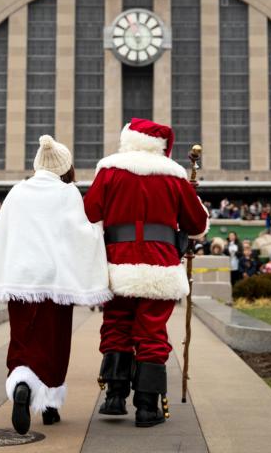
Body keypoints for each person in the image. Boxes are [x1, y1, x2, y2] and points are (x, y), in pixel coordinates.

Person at [0, 135, 111, 435]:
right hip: (56, 280)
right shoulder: (68, 194)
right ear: (66, 167)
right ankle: (50, 404)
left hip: (21, 279)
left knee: (22, 336)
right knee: (55, 340)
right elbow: (83, 234)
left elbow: (2, 234)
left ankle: (21, 383)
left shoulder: (18, 192)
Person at [84, 118, 209, 428]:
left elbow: (89, 214)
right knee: (152, 332)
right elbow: (196, 226)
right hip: (160, 264)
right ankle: (146, 407)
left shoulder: (109, 171)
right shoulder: (175, 176)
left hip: (117, 263)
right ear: (162, 146)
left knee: (116, 325)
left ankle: (114, 397)